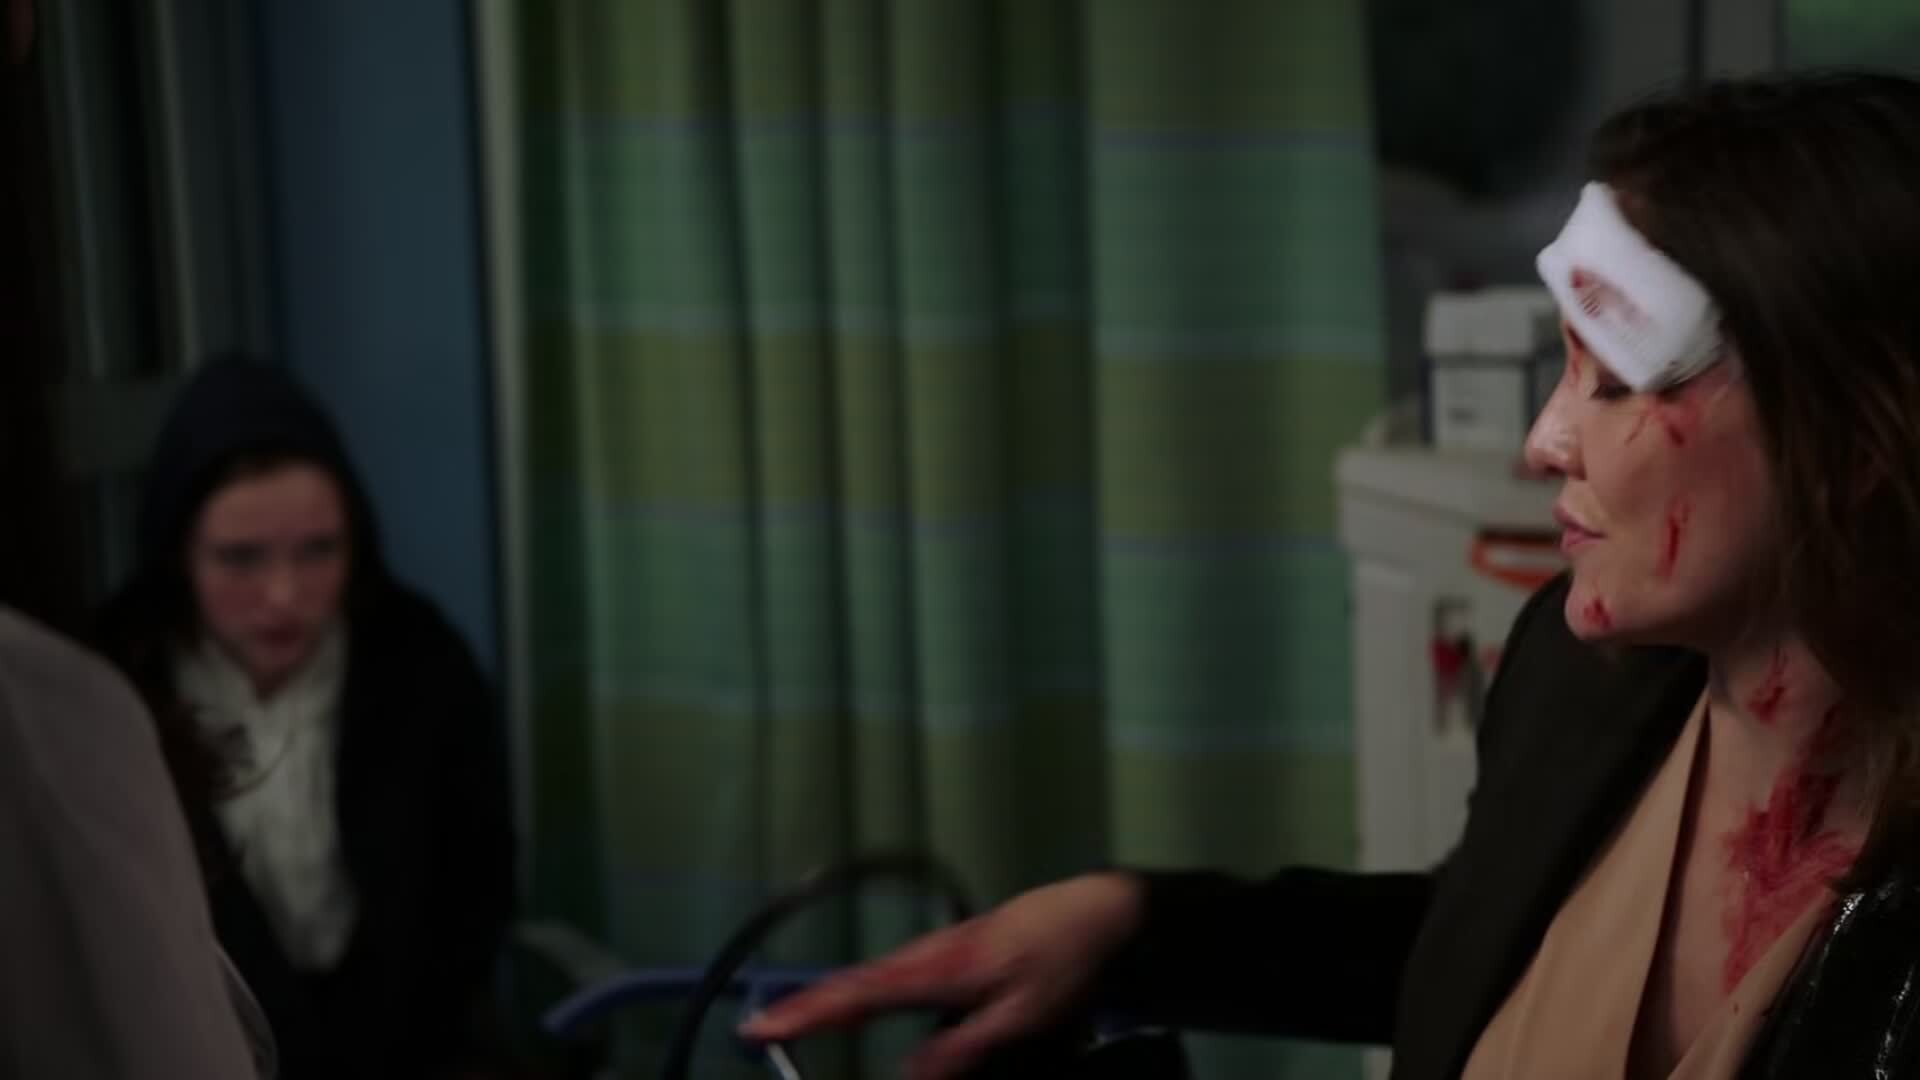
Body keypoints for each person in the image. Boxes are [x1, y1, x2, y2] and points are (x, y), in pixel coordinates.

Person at [744, 72, 1920, 1080]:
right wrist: (1131, 926)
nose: (1544, 442)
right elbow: (1480, 943)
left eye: (1611, 380)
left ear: (1854, 437)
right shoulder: (1586, 675)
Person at [93, 357, 517, 1079]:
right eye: (241, 559)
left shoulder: (418, 657)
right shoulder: (117, 678)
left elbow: (476, 883)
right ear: (180, 553)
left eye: (318, 550)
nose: (284, 595)